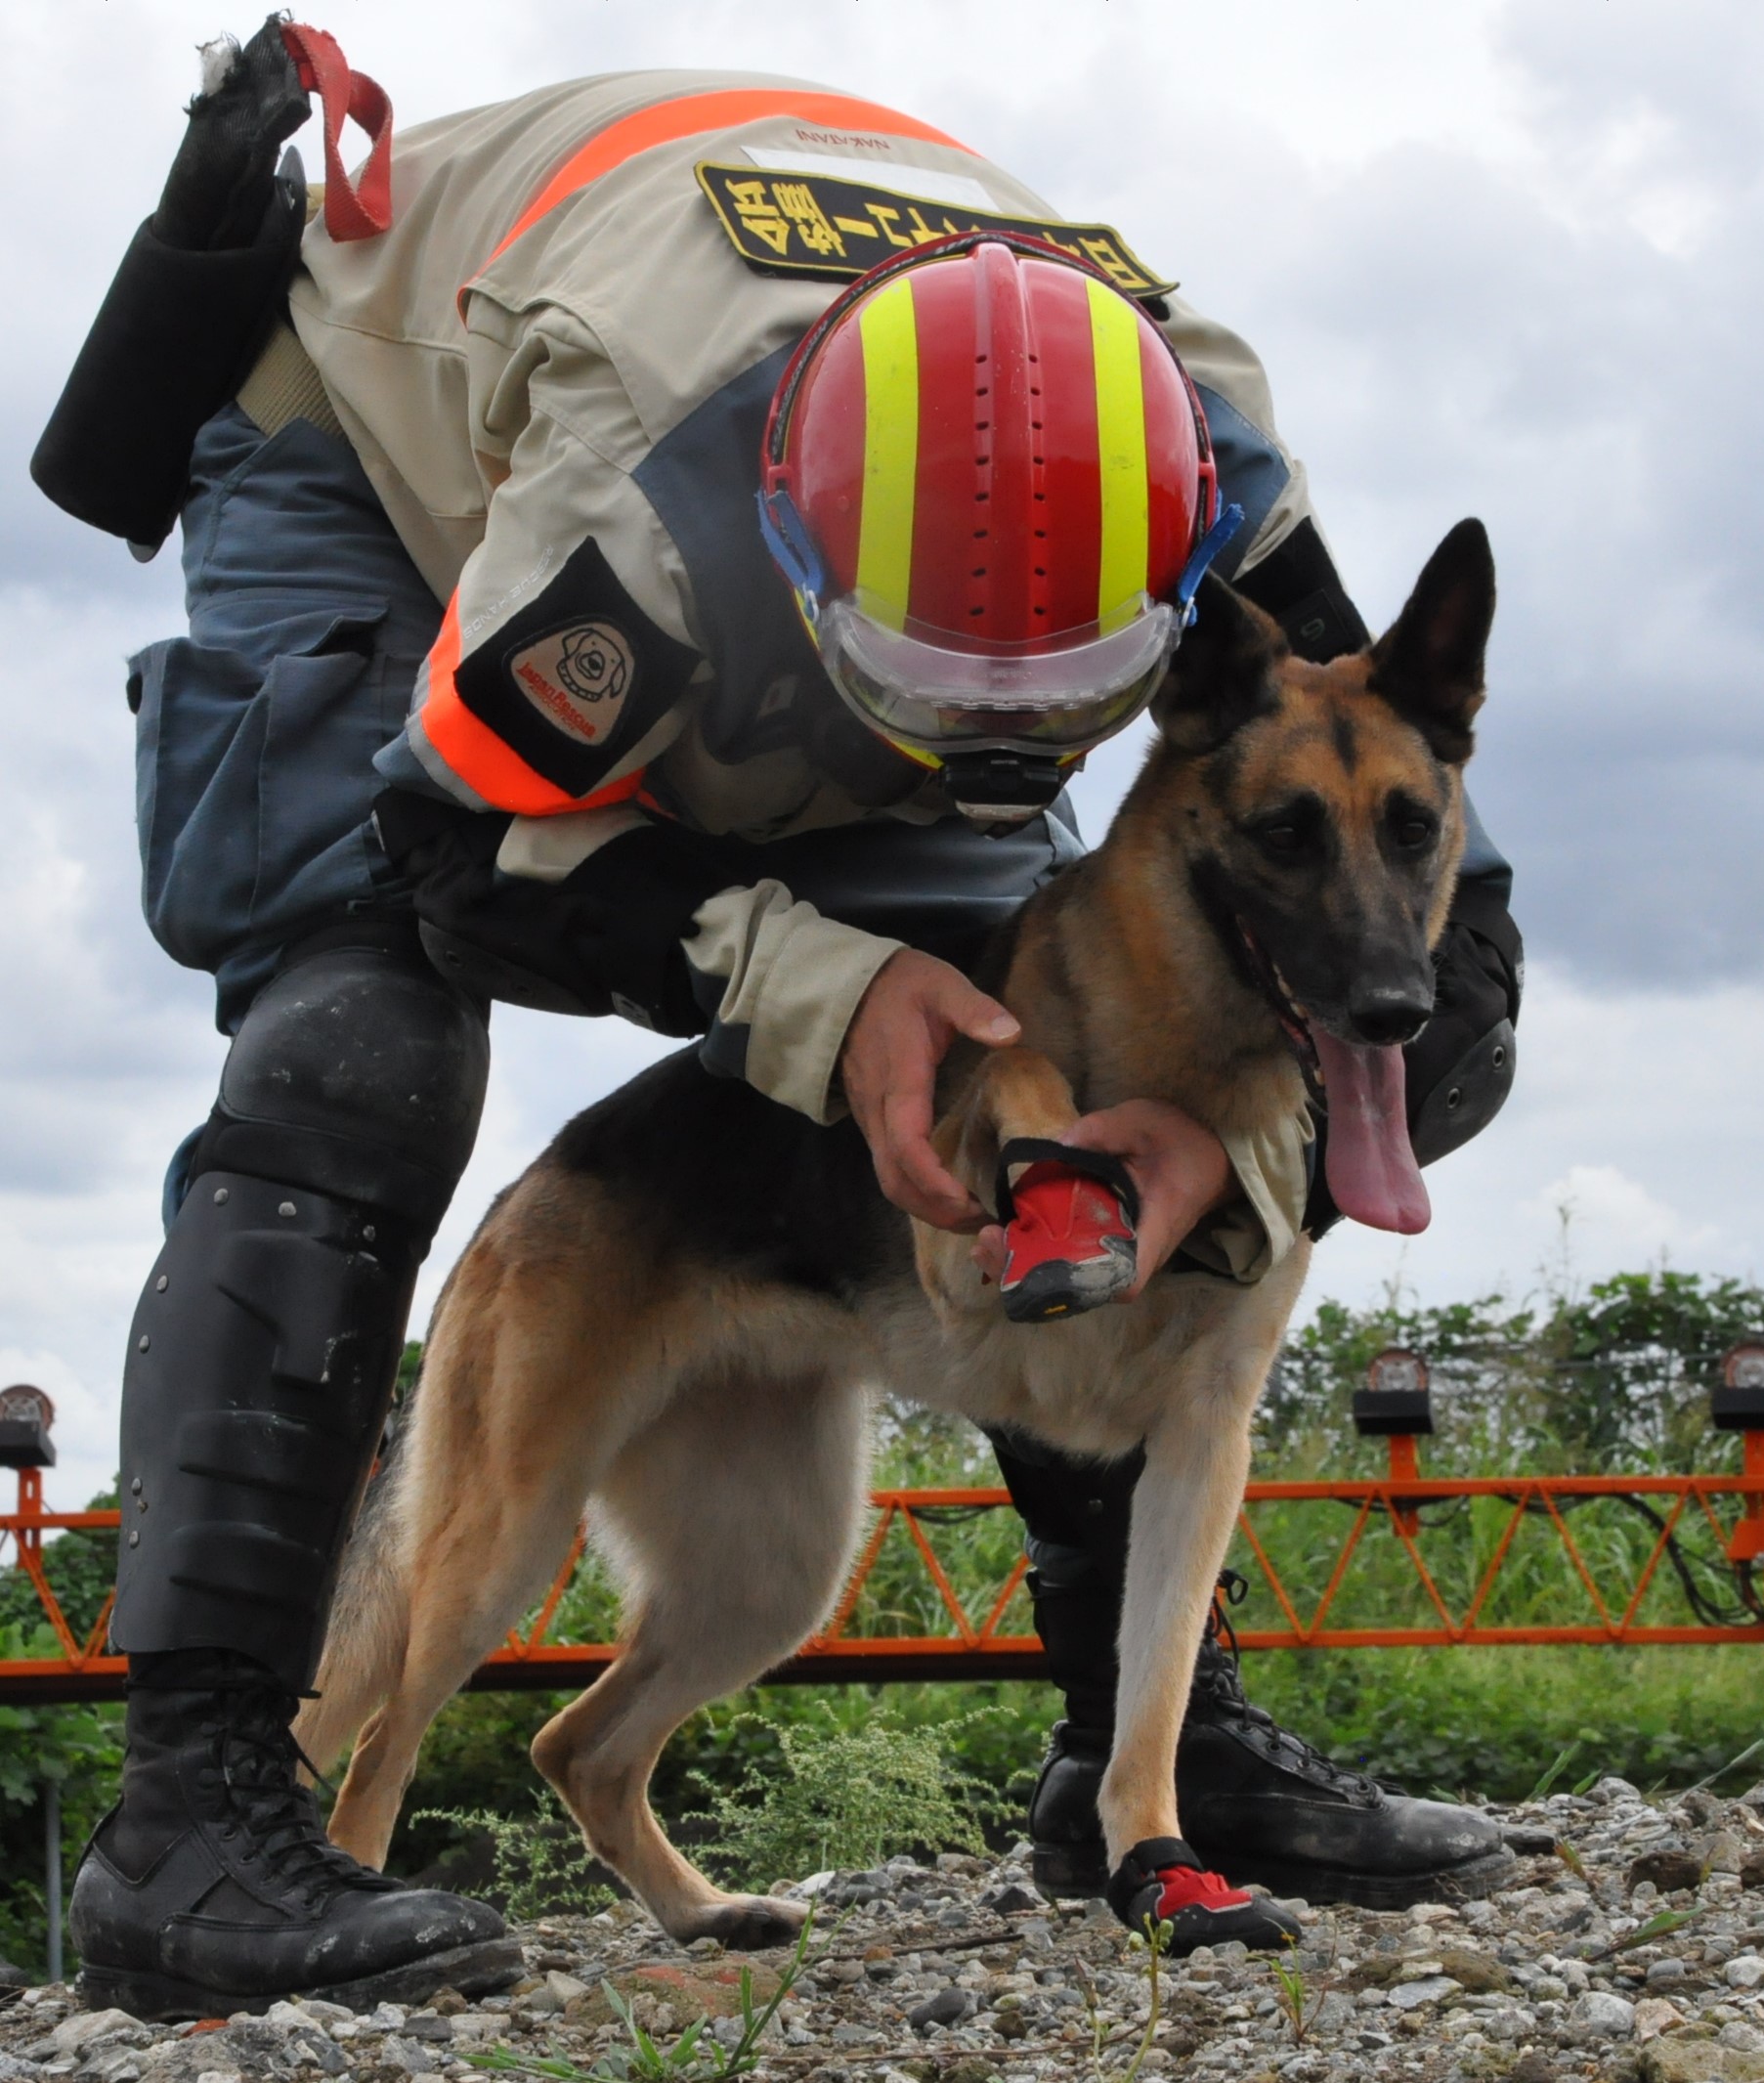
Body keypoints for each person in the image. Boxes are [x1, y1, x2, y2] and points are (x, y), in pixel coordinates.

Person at [33, 21, 1528, 2019]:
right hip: (373, 448)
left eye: (1036, 717)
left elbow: (1460, 978)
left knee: (1066, 1010)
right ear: (801, 566)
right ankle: (199, 1818)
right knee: (354, 1036)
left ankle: (1144, 1757)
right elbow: (455, 844)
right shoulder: (634, 515)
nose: (969, 767)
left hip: (844, 459)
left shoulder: (1213, 452)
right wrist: (821, 990)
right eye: (938, 710)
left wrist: (1206, 1136)